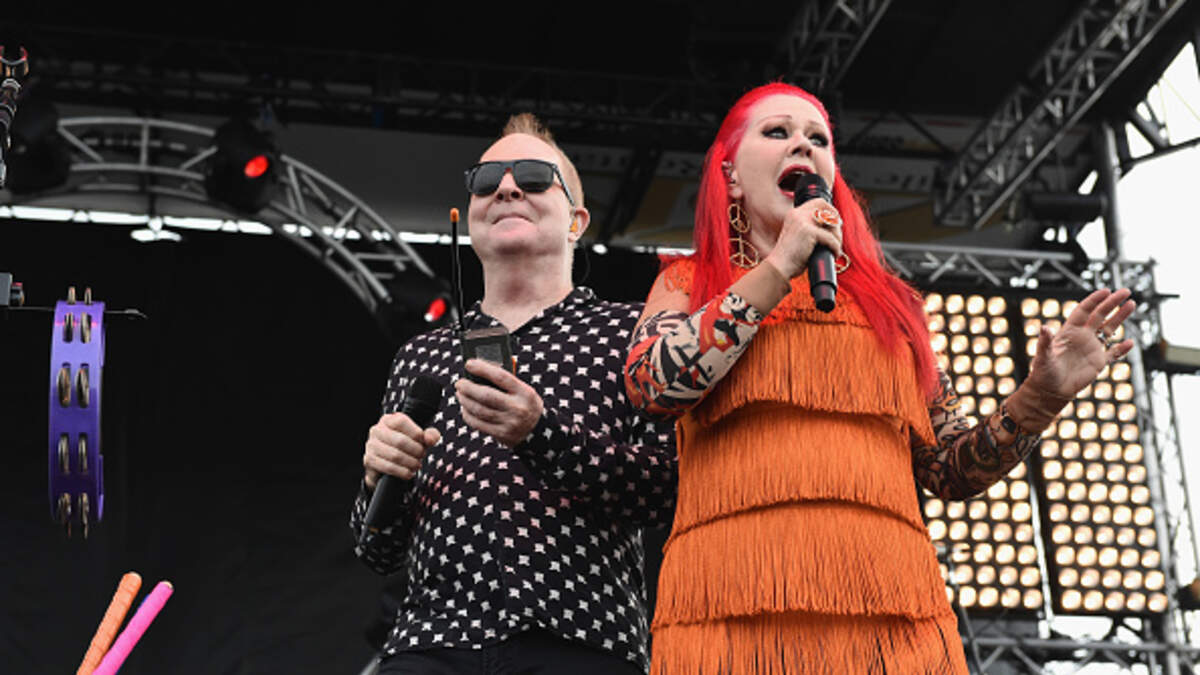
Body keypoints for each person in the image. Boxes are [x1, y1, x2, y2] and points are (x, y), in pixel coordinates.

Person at [623, 82, 1136, 674]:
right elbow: (650, 387)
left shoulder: (894, 306)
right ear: (731, 176)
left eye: (818, 139)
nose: (803, 146)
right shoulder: (688, 282)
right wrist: (780, 265)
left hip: (891, 614)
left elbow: (949, 469)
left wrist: (1039, 398)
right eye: (777, 132)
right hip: (734, 609)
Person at [350, 113, 677, 675]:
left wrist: (541, 435)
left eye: (533, 176)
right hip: (432, 642)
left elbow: (666, 489)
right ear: (470, 214)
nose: (505, 187)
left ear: (576, 221)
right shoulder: (421, 355)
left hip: (581, 640)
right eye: (485, 180)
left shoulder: (632, 332)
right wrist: (377, 479)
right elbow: (376, 549)